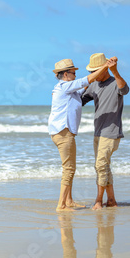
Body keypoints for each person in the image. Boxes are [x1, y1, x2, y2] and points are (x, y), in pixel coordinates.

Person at [48, 58, 111, 211]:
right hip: (63, 132)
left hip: (64, 132)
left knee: (70, 168)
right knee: (68, 169)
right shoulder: (64, 87)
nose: (75, 75)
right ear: (65, 75)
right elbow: (86, 80)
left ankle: (69, 201)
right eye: (73, 72)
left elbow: (86, 85)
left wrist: (100, 73)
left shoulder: (69, 89)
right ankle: (61, 205)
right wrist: (104, 66)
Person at [81, 53, 129, 210]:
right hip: (98, 132)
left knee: (101, 165)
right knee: (103, 166)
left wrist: (115, 71)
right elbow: (80, 101)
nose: (92, 74)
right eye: (90, 72)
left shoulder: (115, 82)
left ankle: (98, 201)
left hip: (111, 132)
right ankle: (112, 201)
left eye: (95, 71)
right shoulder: (94, 85)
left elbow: (125, 89)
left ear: (104, 69)